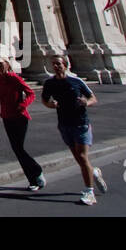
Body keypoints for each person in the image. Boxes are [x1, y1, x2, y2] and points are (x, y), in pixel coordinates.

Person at [41, 54, 107, 206]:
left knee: (82, 157)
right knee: (79, 158)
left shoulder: (76, 81)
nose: (56, 66)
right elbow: (45, 100)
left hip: (81, 123)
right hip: (64, 124)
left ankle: (89, 192)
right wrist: (51, 105)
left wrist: (86, 102)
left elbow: (92, 98)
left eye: (58, 64)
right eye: (54, 64)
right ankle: (94, 172)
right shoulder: (50, 83)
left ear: (65, 65)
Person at [0, 57, 44, 190]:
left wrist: (23, 105)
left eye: (1, 64)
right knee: (17, 149)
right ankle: (34, 176)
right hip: (6, 116)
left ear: (7, 64)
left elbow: (30, 93)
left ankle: (35, 175)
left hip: (20, 116)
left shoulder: (14, 78)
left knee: (19, 148)